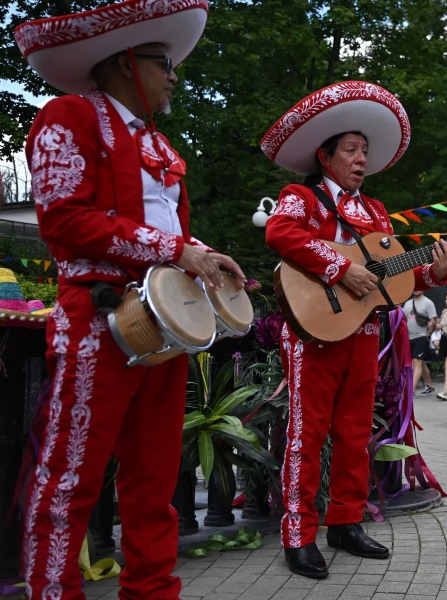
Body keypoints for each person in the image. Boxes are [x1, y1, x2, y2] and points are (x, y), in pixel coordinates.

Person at [16, 2, 248, 597]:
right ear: (123, 62)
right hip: (96, 320)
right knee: (70, 478)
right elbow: (65, 221)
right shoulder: (69, 117)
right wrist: (175, 248)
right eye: (162, 62)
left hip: (164, 327)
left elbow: (169, 231)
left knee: (155, 479)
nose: (174, 74)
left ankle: (153, 590)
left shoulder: (157, 142)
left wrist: (206, 255)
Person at [262, 81, 447, 578]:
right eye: (351, 149)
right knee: (308, 434)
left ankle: (345, 522)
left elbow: (392, 278)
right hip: (313, 333)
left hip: (364, 331)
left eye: (365, 151)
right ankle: (298, 534)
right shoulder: (299, 196)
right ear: (325, 156)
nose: (361, 158)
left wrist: (435, 272)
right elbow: (279, 233)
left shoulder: (375, 212)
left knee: (352, 434)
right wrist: (339, 268)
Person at [404, 291, 437, 395]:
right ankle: (429, 385)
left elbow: (434, 320)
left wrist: (428, 334)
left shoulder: (428, 302)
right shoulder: (408, 303)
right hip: (409, 337)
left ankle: (411, 391)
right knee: (420, 362)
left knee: (417, 361)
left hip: (421, 336)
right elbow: (404, 319)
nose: (416, 290)